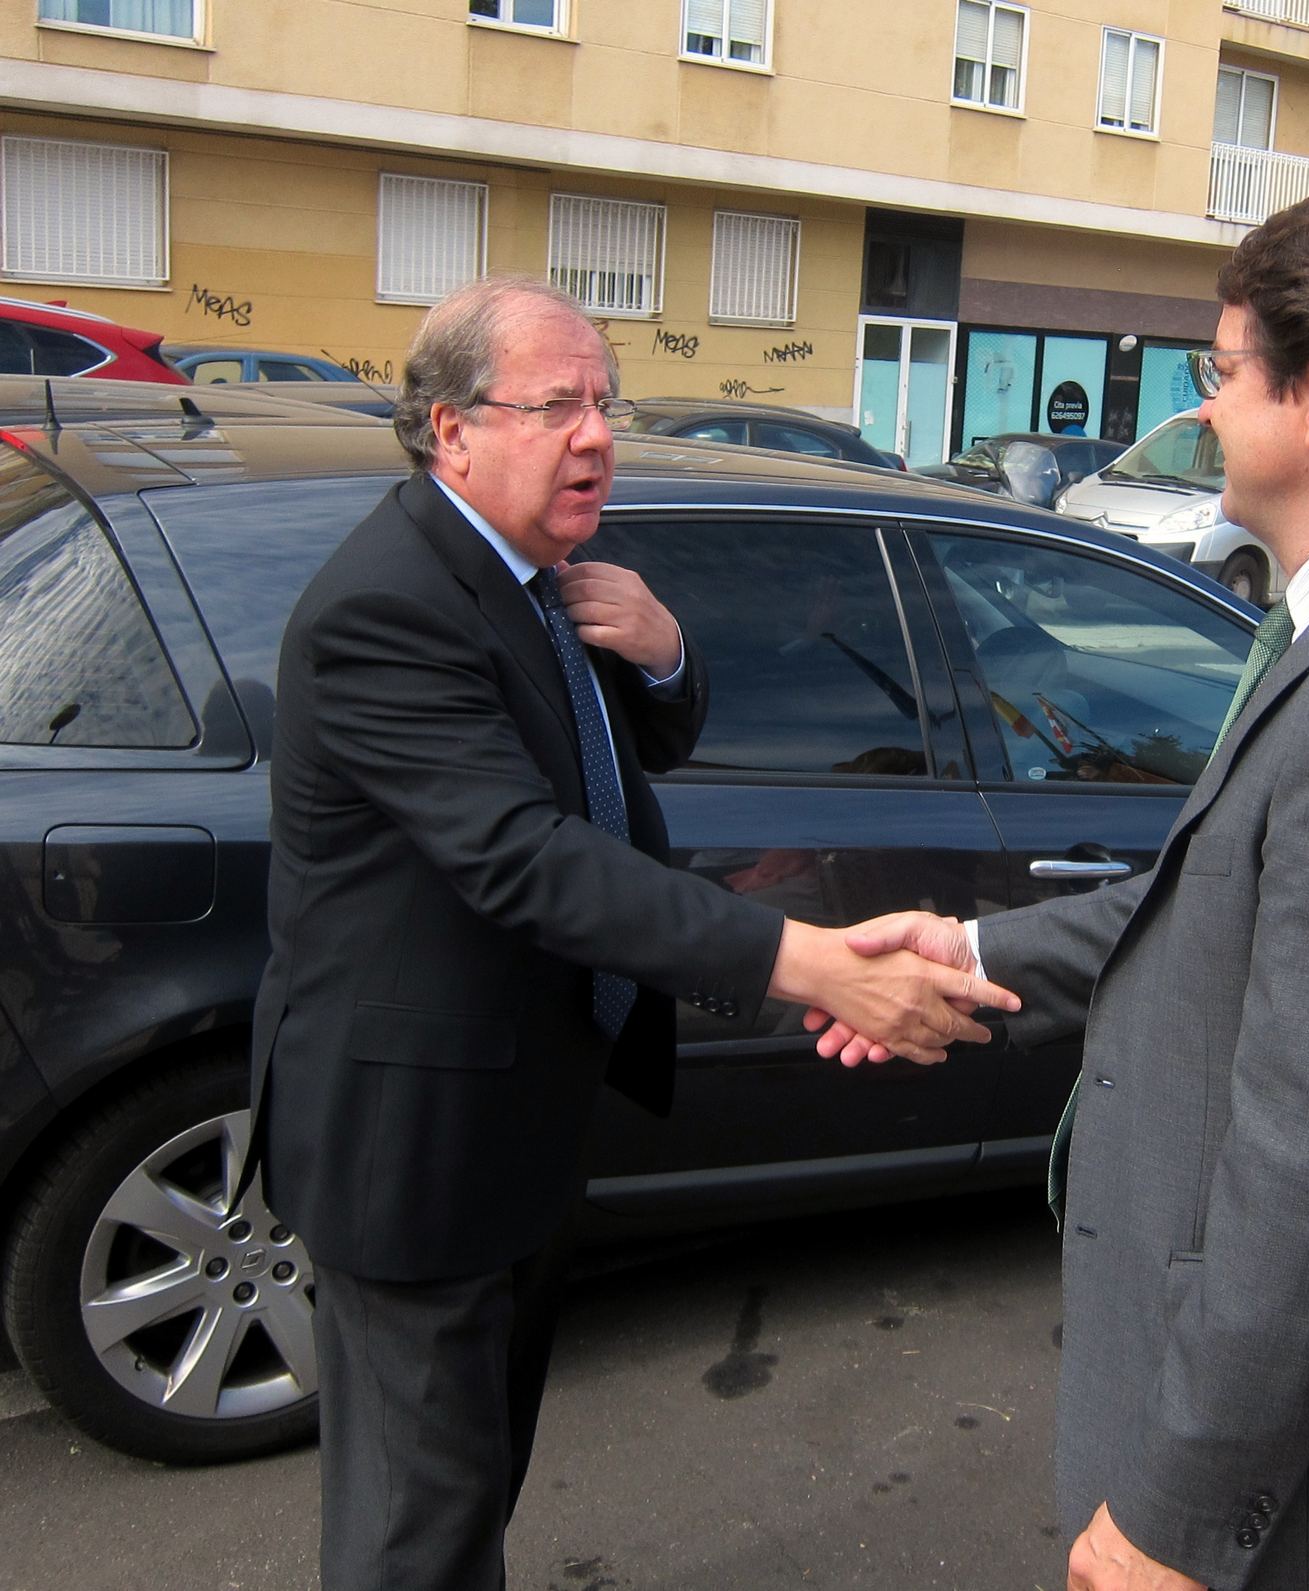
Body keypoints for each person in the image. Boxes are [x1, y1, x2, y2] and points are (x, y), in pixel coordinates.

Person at [816, 185, 1309, 1590]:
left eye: (1221, 369)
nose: (1205, 405)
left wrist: (1182, 1511)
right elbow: (1237, 901)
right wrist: (975, 943)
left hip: (1289, 1471)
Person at [248, 276, 1016, 1591]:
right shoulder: (391, 608)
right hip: (412, 1147)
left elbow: (623, 750)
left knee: (470, 1484)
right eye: (558, 407)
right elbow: (526, 857)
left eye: (606, 402)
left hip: (521, 1117)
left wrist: (663, 652)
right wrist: (809, 962)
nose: (597, 434)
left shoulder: (541, 575)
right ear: (452, 431)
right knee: (412, 1534)